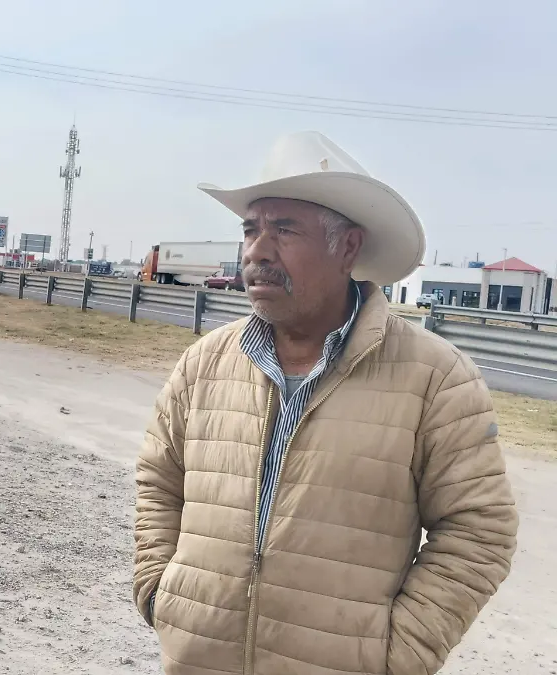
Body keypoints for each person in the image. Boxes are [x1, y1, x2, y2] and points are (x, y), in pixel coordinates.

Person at [133, 131, 517, 675]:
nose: (257, 251)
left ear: (348, 248)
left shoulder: (435, 378)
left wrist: (395, 653)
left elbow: (480, 529)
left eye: (284, 230)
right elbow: (160, 478)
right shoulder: (205, 364)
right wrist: (159, 590)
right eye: (250, 229)